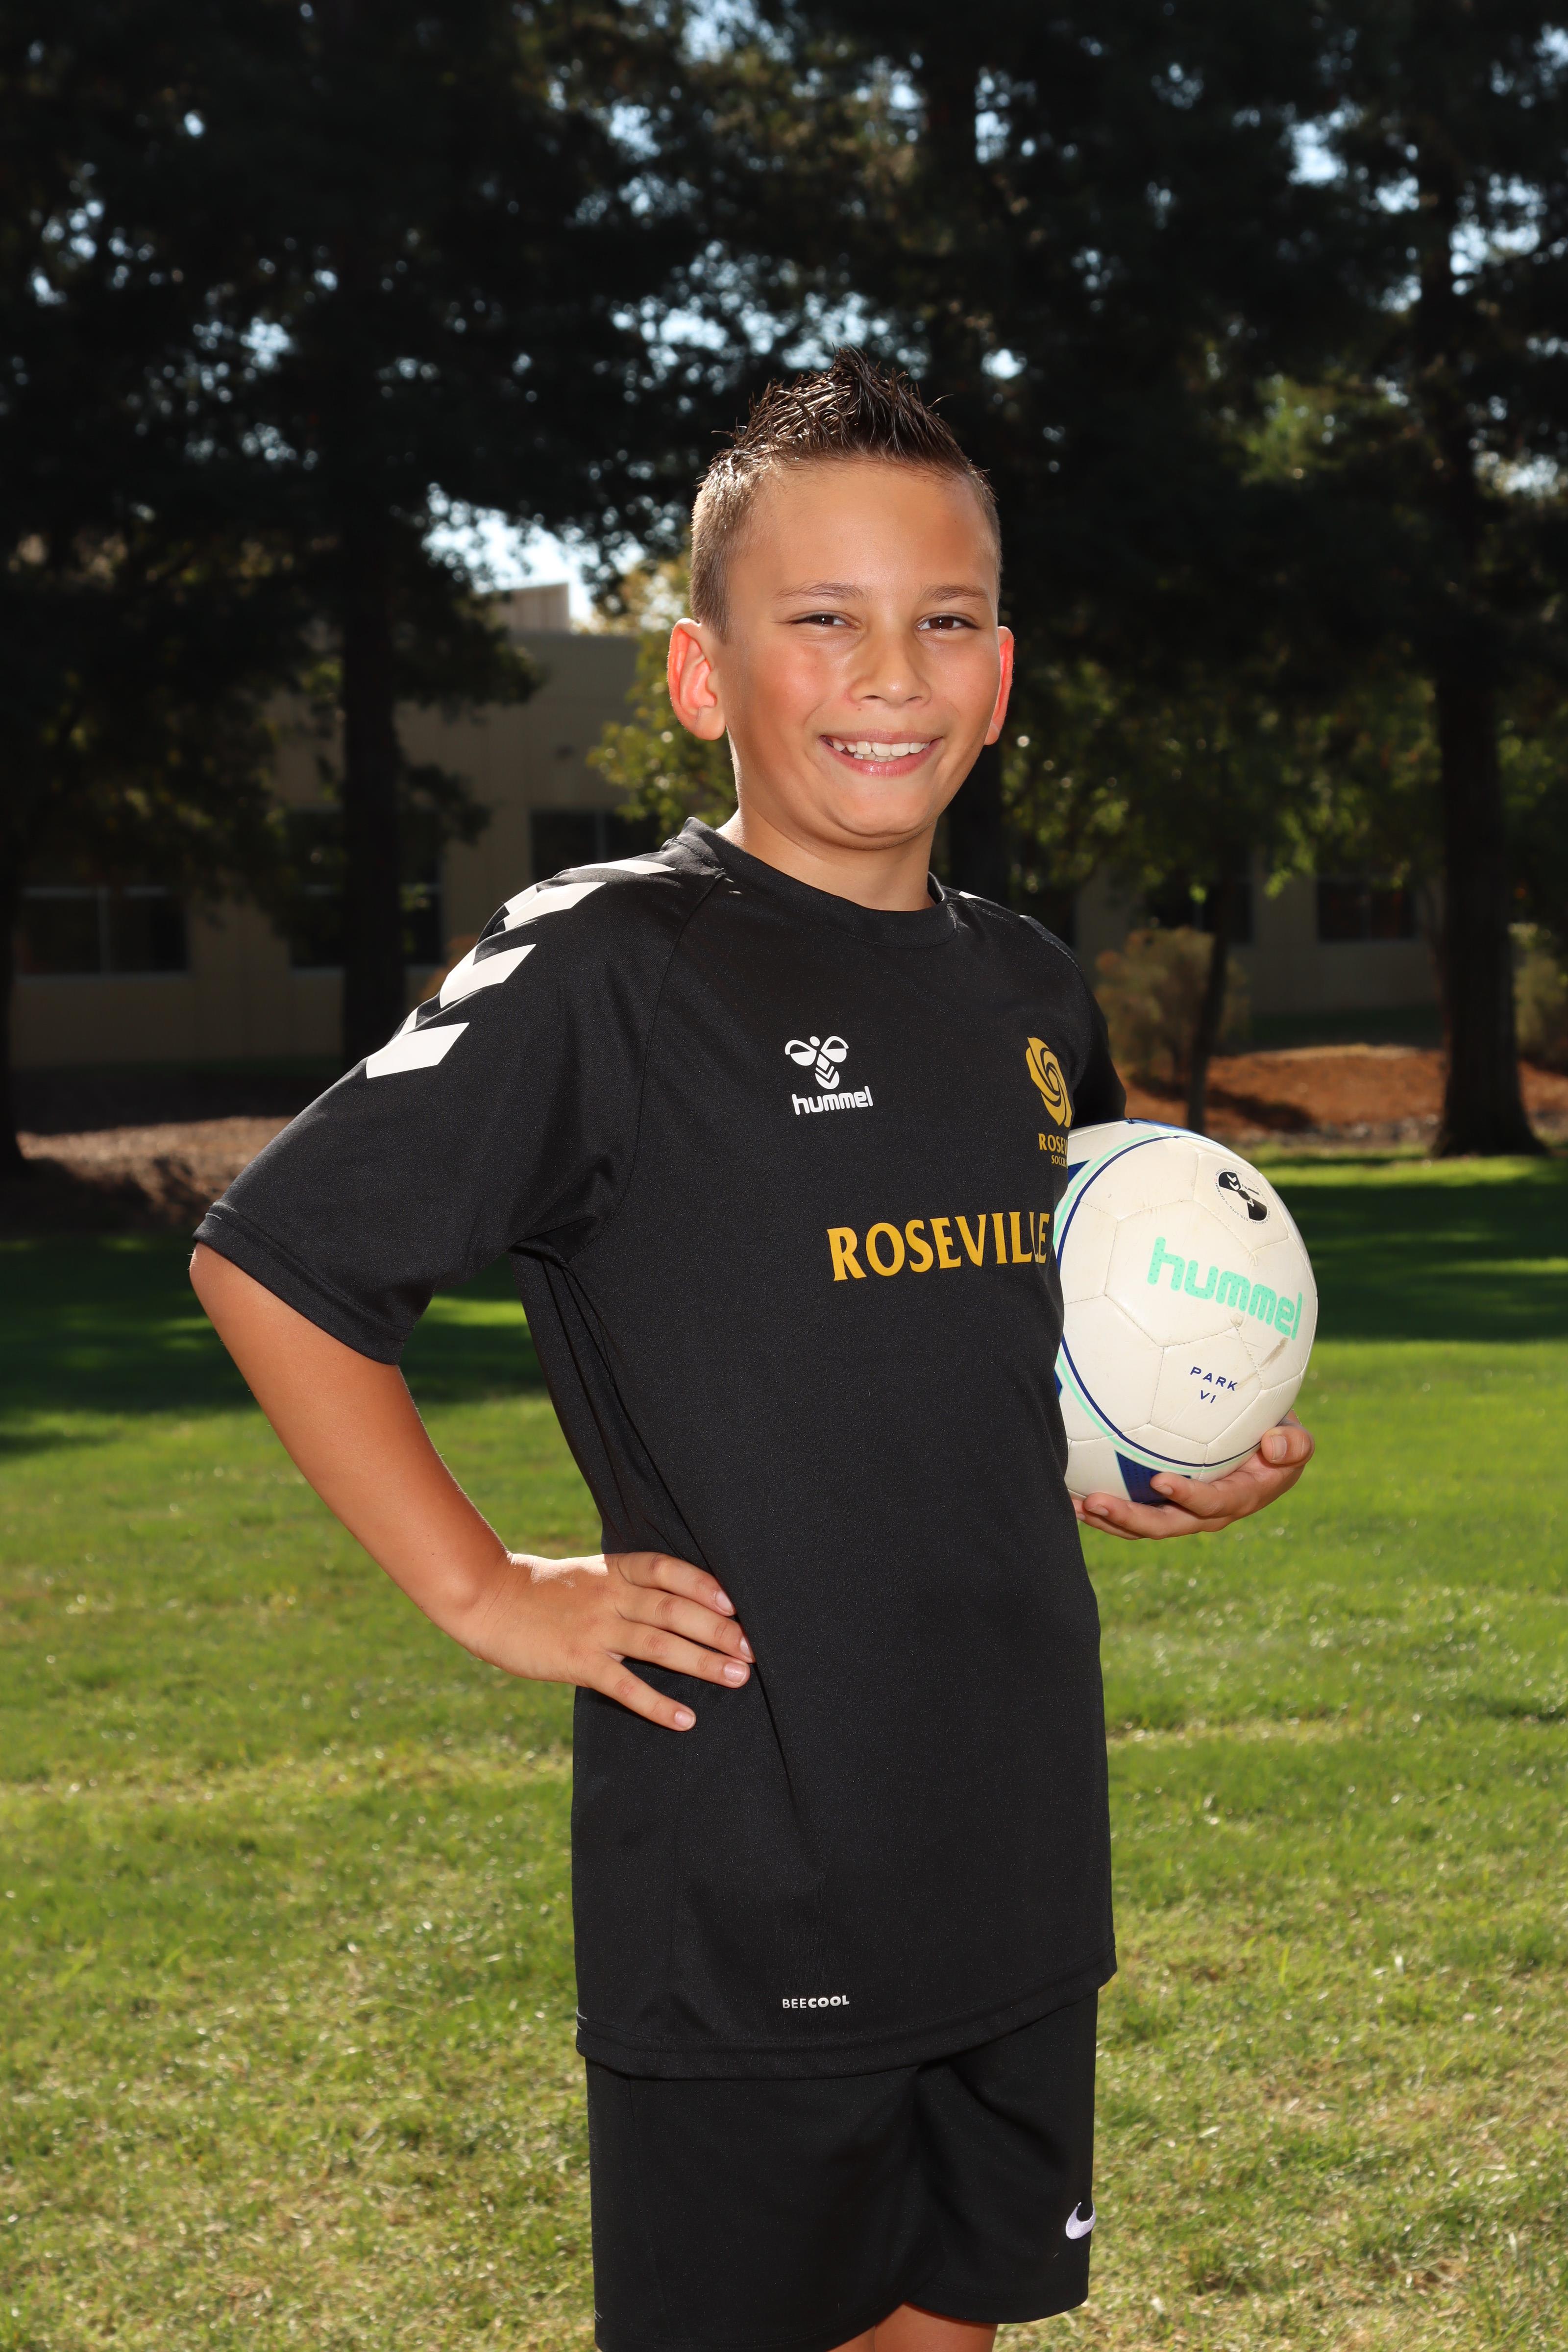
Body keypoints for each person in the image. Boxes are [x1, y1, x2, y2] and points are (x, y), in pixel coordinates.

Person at [191, 350, 1313, 2352]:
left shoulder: (1030, 987)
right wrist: (484, 1587)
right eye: (823, 620)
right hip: (753, 1879)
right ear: (702, 676)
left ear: (1000, 673)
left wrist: (1146, 1462)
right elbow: (277, 1261)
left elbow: (1015, 1331)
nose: (890, 674)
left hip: (1013, 1847)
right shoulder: (613, 961)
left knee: (946, 2328)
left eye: (942, 622)